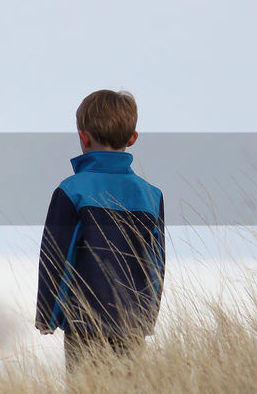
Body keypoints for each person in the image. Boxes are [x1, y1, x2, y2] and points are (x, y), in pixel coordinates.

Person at [35, 89, 165, 371]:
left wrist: (47, 315)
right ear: (132, 138)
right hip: (132, 324)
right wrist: (147, 318)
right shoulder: (151, 196)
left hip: (84, 323)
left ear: (83, 136)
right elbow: (156, 264)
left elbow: (55, 256)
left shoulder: (71, 190)